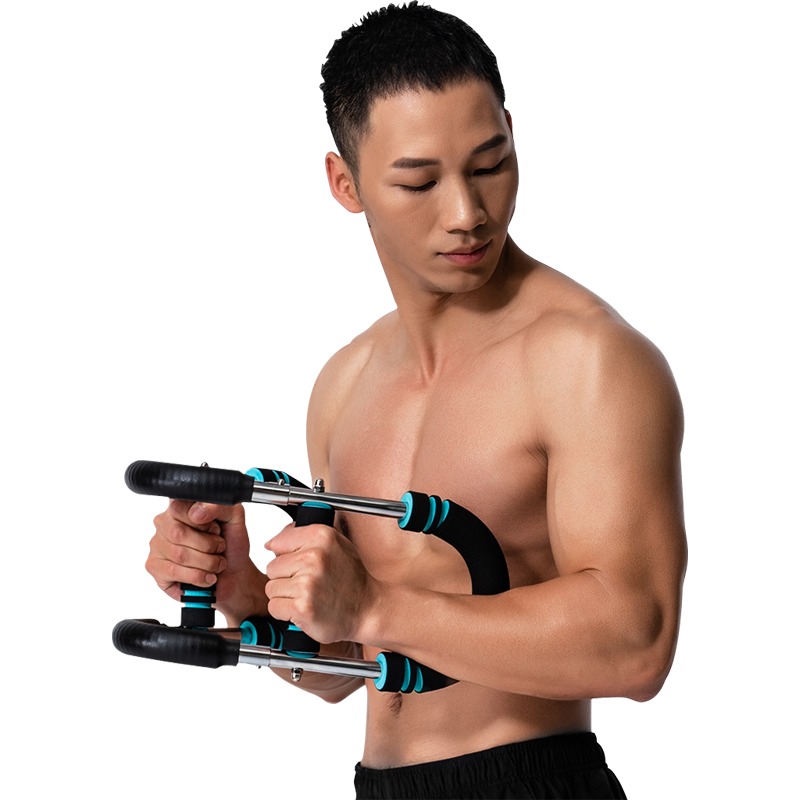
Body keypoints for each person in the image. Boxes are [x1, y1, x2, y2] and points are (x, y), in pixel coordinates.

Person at [145, 4, 687, 798]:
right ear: (347, 184)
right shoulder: (345, 380)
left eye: (490, 164)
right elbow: (347, 668)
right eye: (420, 181)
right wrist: (246, 592)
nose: (467, 213)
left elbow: (637, 644)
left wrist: (374, 605)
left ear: (512, 135)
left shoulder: (588, 360)